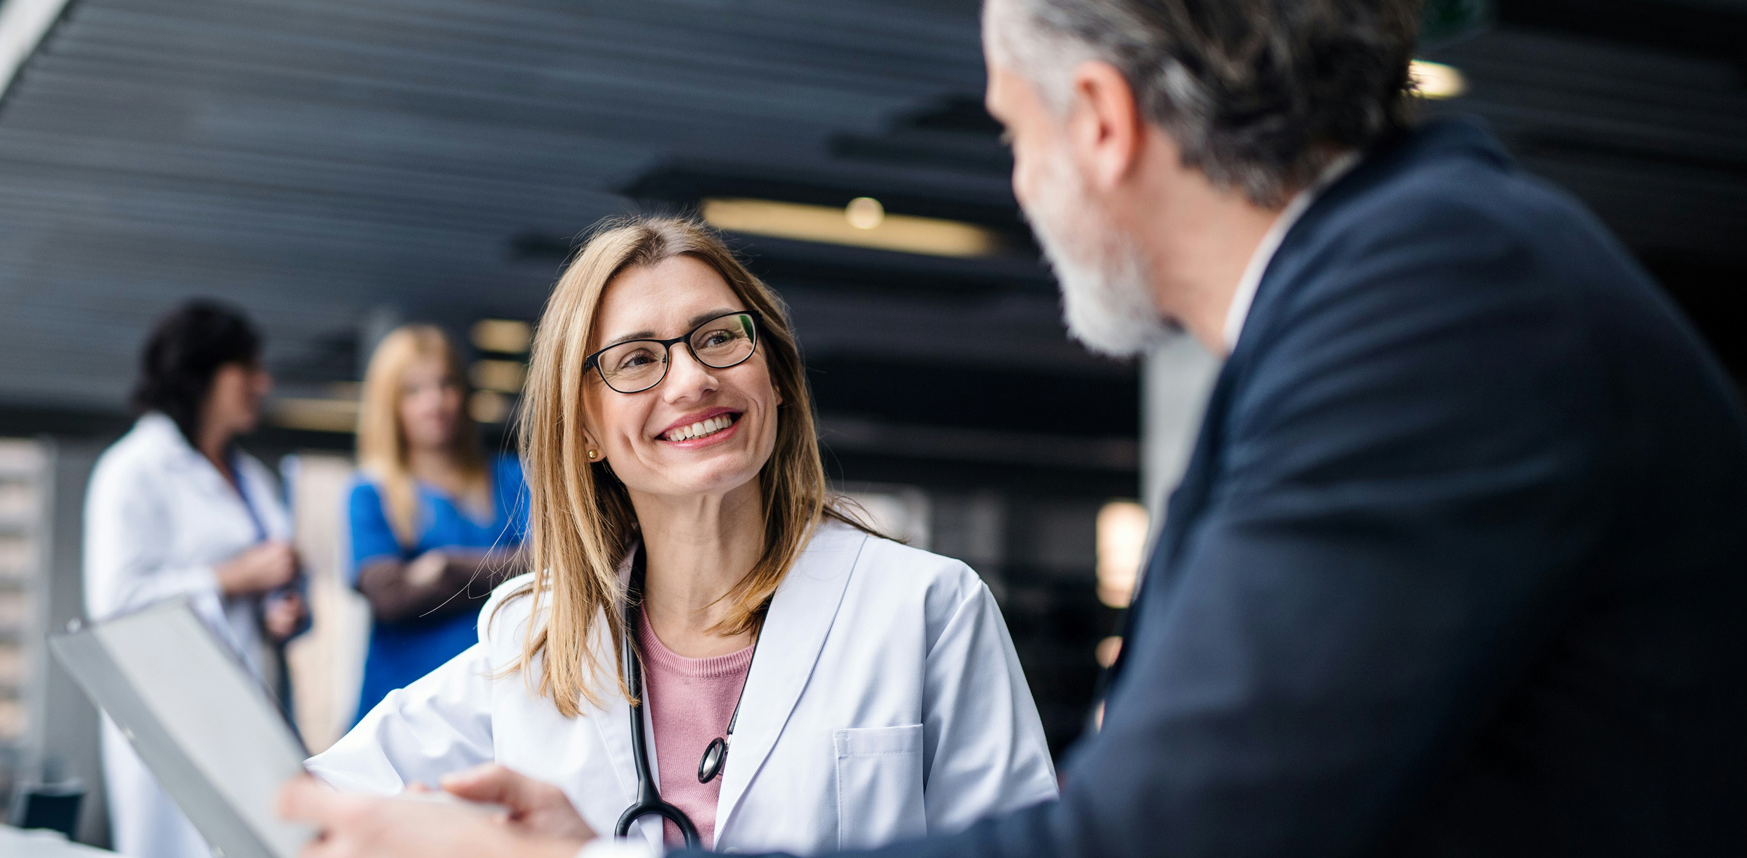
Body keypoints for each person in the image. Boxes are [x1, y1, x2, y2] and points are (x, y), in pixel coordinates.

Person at [278, 0, 1747, 856]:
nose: (1020, 173)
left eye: (1012, 125)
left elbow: (1157, 839)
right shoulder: (1393, 285)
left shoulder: (1434, 308)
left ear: (1101, 120)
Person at [299, 215, 1057, 854]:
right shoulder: (531, 637)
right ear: (586, 428)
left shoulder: (926, 608)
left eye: (720, 338)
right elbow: (304, 806)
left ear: (777, 380)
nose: (691, 379)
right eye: (636, 359)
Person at [86, 299, 307, 858]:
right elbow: (114, 604)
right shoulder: (132, 470)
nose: (264, 382)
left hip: (246, 701)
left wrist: (276, 610)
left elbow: (265, 584)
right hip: (167, 706)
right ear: (203, 374)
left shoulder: (251, 475)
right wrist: (229, 577)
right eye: (249, 369)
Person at [346, 324, 530, 724]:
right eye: (414, 391)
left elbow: (552, 565)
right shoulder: (370, 494)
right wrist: (504, 570)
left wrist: (444, 568)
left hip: (501, 699)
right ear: (390, 404)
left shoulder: (513, 478)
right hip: (405, 704)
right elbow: (390, 597)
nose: (435, 402)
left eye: (446, 384)